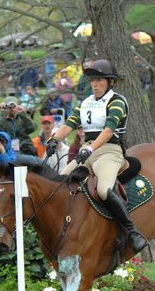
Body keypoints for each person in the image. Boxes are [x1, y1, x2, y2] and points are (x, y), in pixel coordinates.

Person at [45, 59, 148, 253]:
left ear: (110, 82)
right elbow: (69, 124)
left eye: (100, 80)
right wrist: (54, 140)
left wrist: (90, 149)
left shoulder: (117, 101)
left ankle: (132, 232)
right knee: (60, 183)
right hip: (87, 152)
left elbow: (109, 130)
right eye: (92, 80)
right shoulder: (86, 103)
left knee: (103, 190)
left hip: (109, 151)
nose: (95, 84)